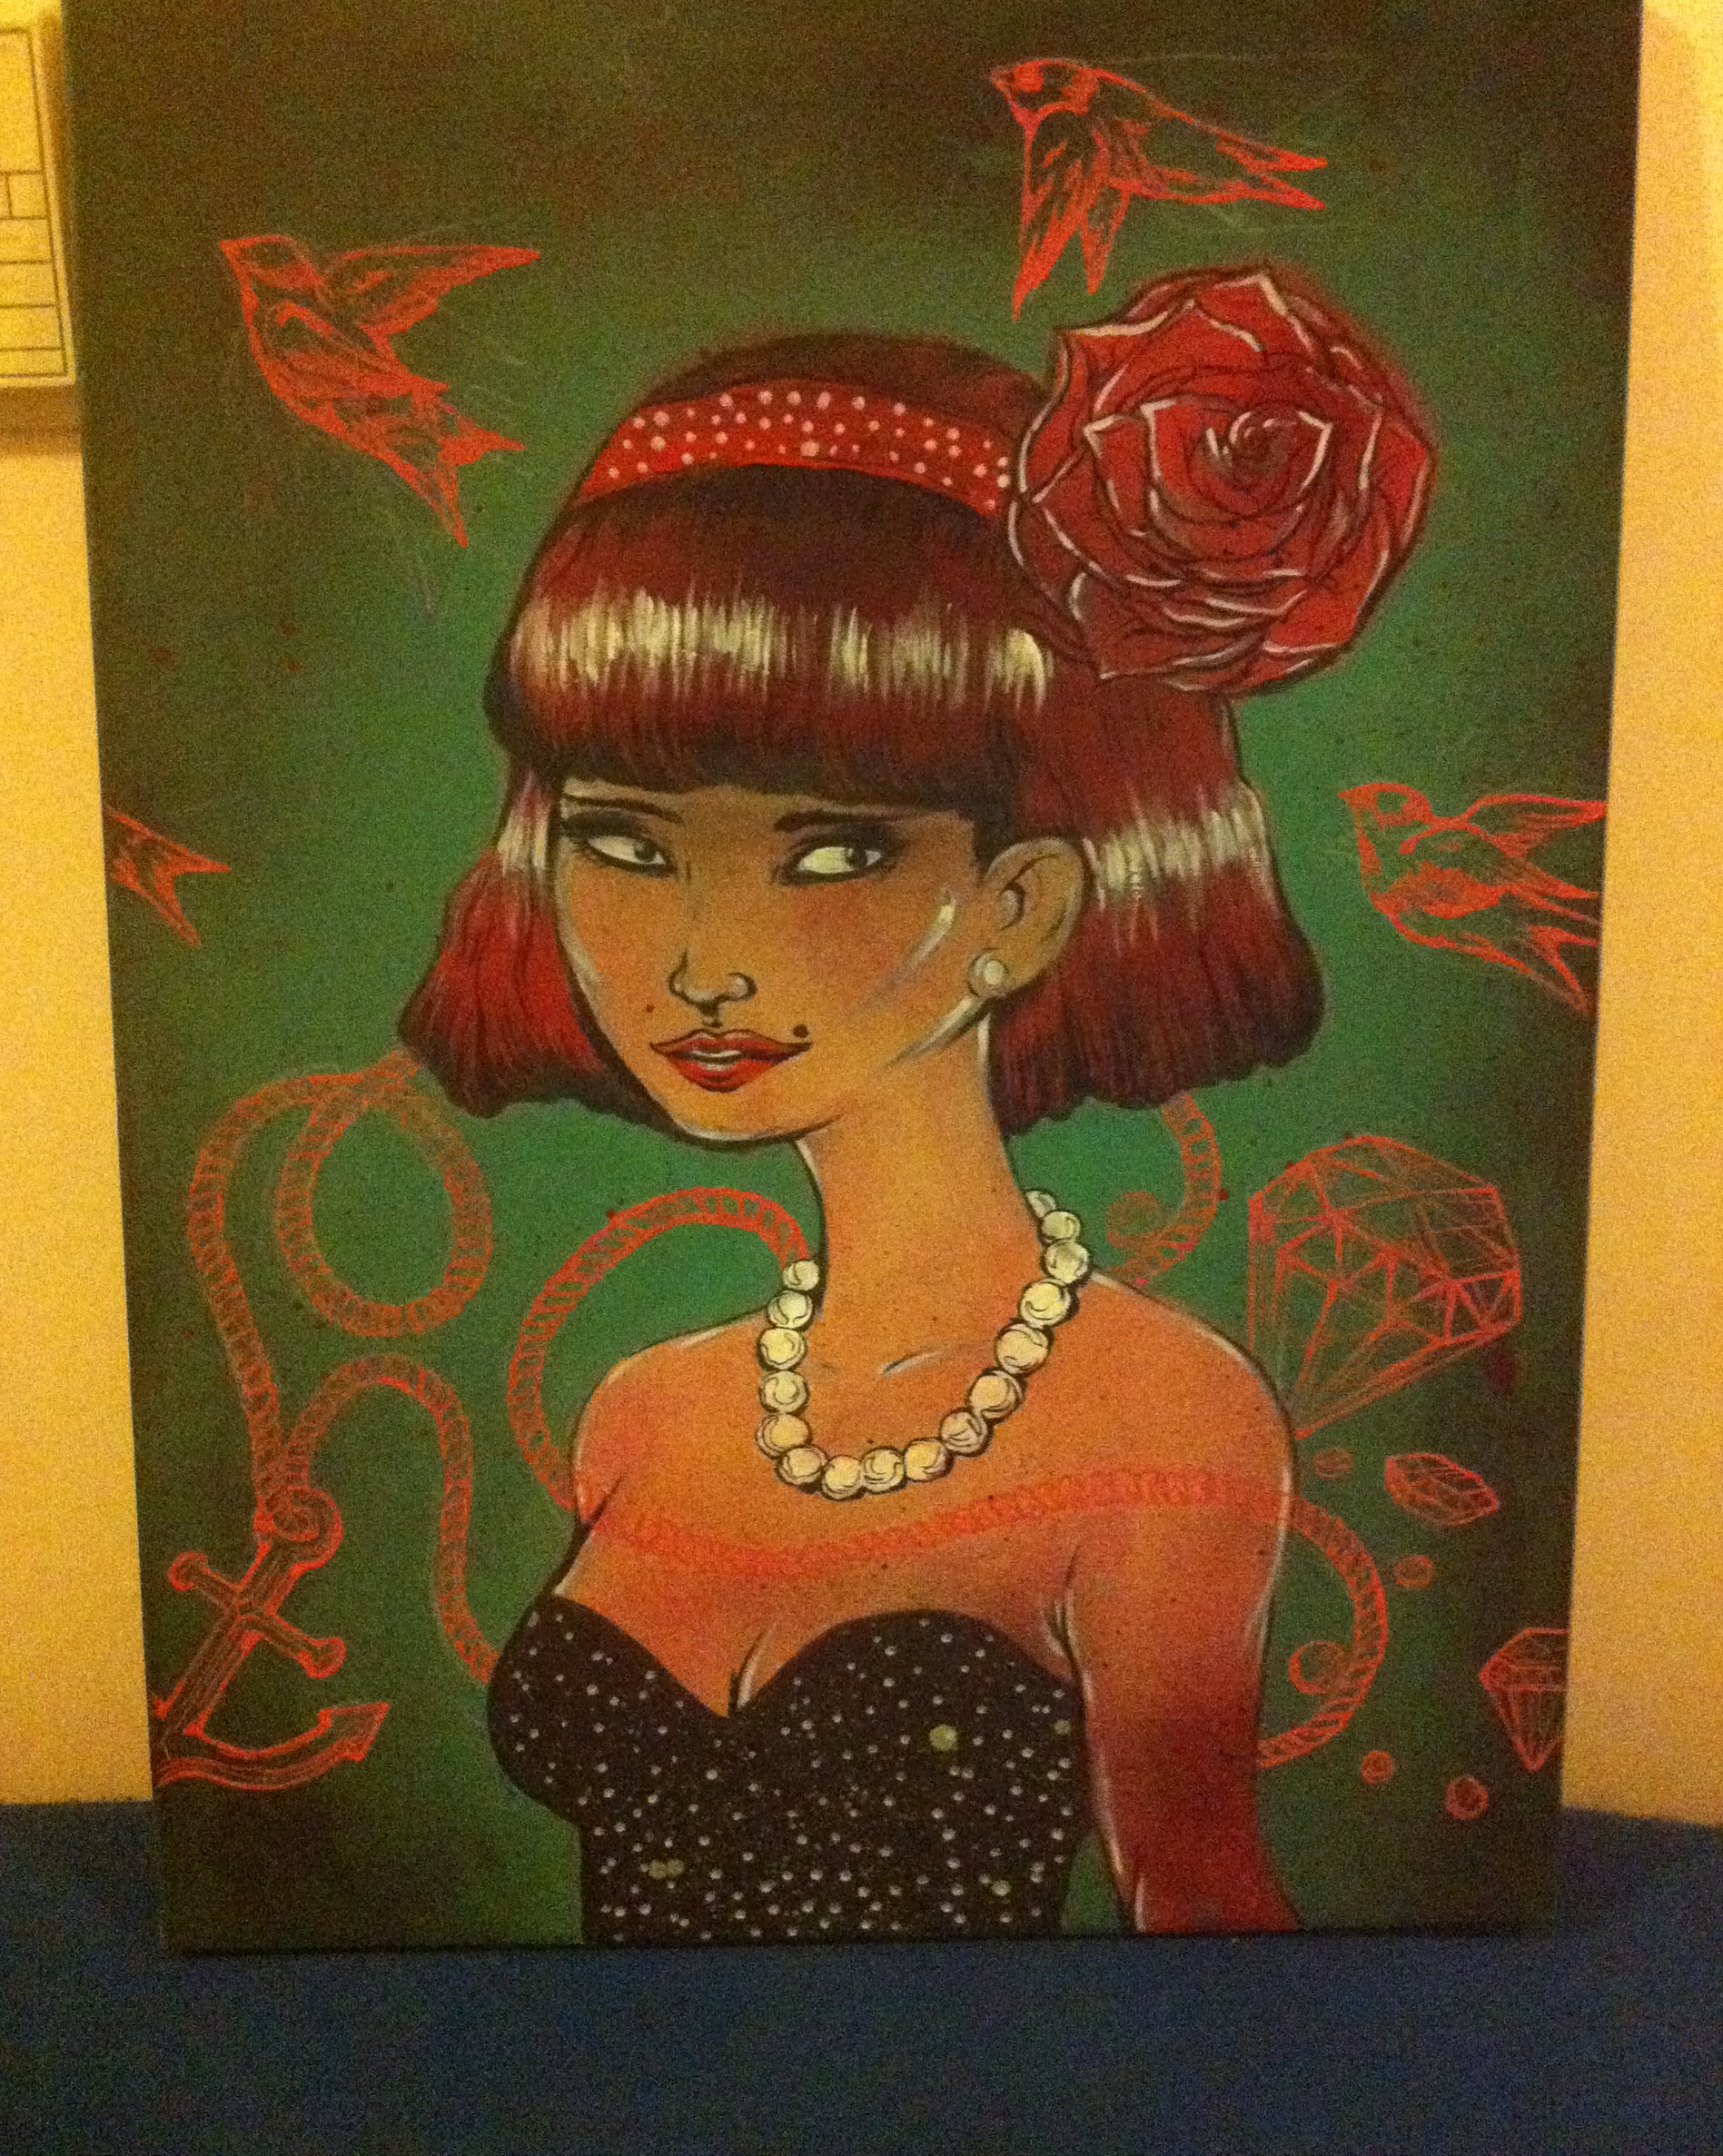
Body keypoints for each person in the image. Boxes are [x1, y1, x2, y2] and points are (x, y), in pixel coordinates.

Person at [401, 267, 1432, 1943]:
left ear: (1025, 904)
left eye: (831, 855)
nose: (702, 963)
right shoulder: (643, 1416)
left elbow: (1201, 1907)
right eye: (625, 842)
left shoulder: (1170, 1424)